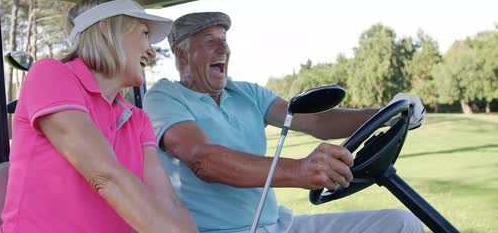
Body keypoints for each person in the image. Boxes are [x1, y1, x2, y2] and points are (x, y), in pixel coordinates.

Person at [143, 12, 426, 233]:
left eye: (224, 40)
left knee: (402, 224)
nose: (223, 49)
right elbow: (203, 159)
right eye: (210, 41)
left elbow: (314, 120)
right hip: (223, 230)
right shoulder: (164, 96)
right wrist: (300, 170)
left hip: (280, 224)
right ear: (181, 53)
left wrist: (383, 115)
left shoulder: (246, 93)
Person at [0, 0, 197, 233]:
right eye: (144, 34)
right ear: (106, 30)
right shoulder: (49, 74)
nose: (151, 51)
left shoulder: (138, 119)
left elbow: (167, 202)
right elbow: (105, 176)